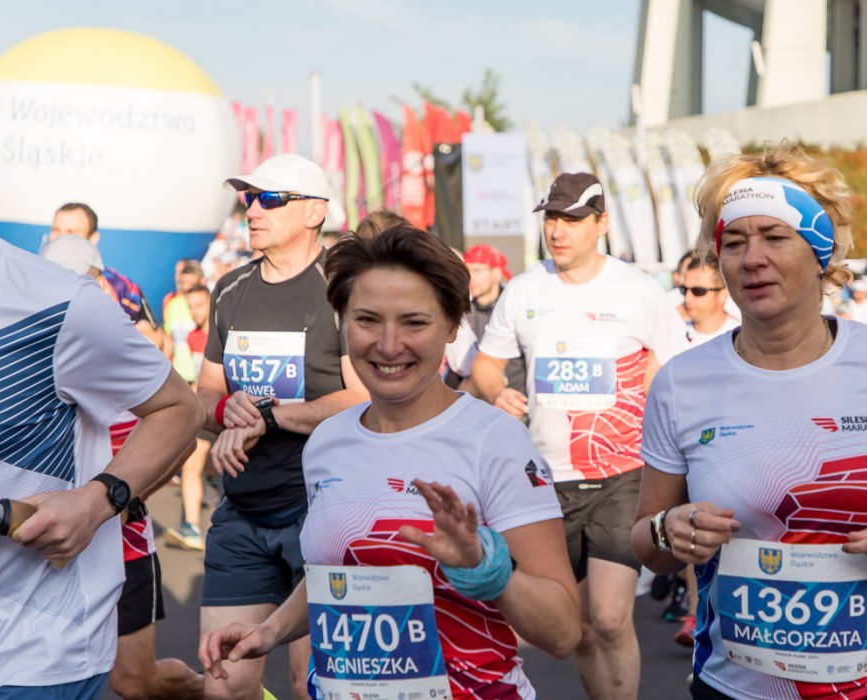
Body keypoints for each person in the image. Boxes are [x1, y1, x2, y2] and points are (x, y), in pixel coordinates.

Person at [632, 145, 867, 700]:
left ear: (820, 251)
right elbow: (647, 539)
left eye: (774, 237)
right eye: (735, 242)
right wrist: (667, 529)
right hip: (738, 685)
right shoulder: (681, 382)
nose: (752, 258)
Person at [199, 225, 580, 699]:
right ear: (342, 323)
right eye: (367, 320)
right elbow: (337, 573)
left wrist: (486, 566)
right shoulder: (326, 441)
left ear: (452, 327)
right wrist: (271, 630)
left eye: (414, 323)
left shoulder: (495, 439)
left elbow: (563, 632)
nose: (388, 344)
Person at [0, 117, 205, 697]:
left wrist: (97, 501)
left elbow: (180, 409)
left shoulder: (60, 303)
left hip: (31, 642)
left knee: (136, 680)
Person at [472, 172, 688, 700]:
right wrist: (498, 391)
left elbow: (674, 368)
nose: (558, 230)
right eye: (552, 219)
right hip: (547, 480)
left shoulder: (639, 291)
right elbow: (485, 364)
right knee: (576, 629)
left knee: (611, 617)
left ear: (602, 223)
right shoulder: (525, 289)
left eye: (571, 219)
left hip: (622, 472)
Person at [196, 153, 368, 700]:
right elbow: (205, 393)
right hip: (242, 511)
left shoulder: (343, 289)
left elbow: (363, 398)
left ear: (314, 212)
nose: (252, 210)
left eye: (269, 199)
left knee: (310, 682)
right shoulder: (229, 289)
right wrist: (225, 412)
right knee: (224, 685)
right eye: (248, 198)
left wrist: (268, 418)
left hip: (321, 509)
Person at [39, 235, 206, 699]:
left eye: (78, 280)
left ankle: (225, 692)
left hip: (123, 543)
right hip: (46, 546)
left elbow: (184, 433)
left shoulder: (124, 347)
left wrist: (129, 494)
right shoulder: (26, 348)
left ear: (99, 282)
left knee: (134, 680)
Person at [48, 201, 169, 356]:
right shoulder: (31, 278)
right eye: (56, 230)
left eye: (71, 232)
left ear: (93, 238)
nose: (61, 238)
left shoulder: (123, 288)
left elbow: (154, 338)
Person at [165, 283, 215, 552]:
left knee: (200, 468)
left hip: (222, 408)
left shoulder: (220, 335)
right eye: (191, 307)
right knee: (195, 467)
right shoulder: (193, 337)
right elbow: (196, 376)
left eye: (200, 306)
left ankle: (194, 525)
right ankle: (193, 525)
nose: (195, 312)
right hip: (203, 409)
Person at [464, 243, 527, 397]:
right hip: (476, 401)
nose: (471, 277)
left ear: (497, 272)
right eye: (467, 270)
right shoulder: (462, 312)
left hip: (518, 401)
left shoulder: (516, 307)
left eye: (477, 271)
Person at [681, 253, 739, 346]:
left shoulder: (742, 336)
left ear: (723, 294)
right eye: (684, 289)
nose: (687, 298)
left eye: (698, 291)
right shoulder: (674, 334)